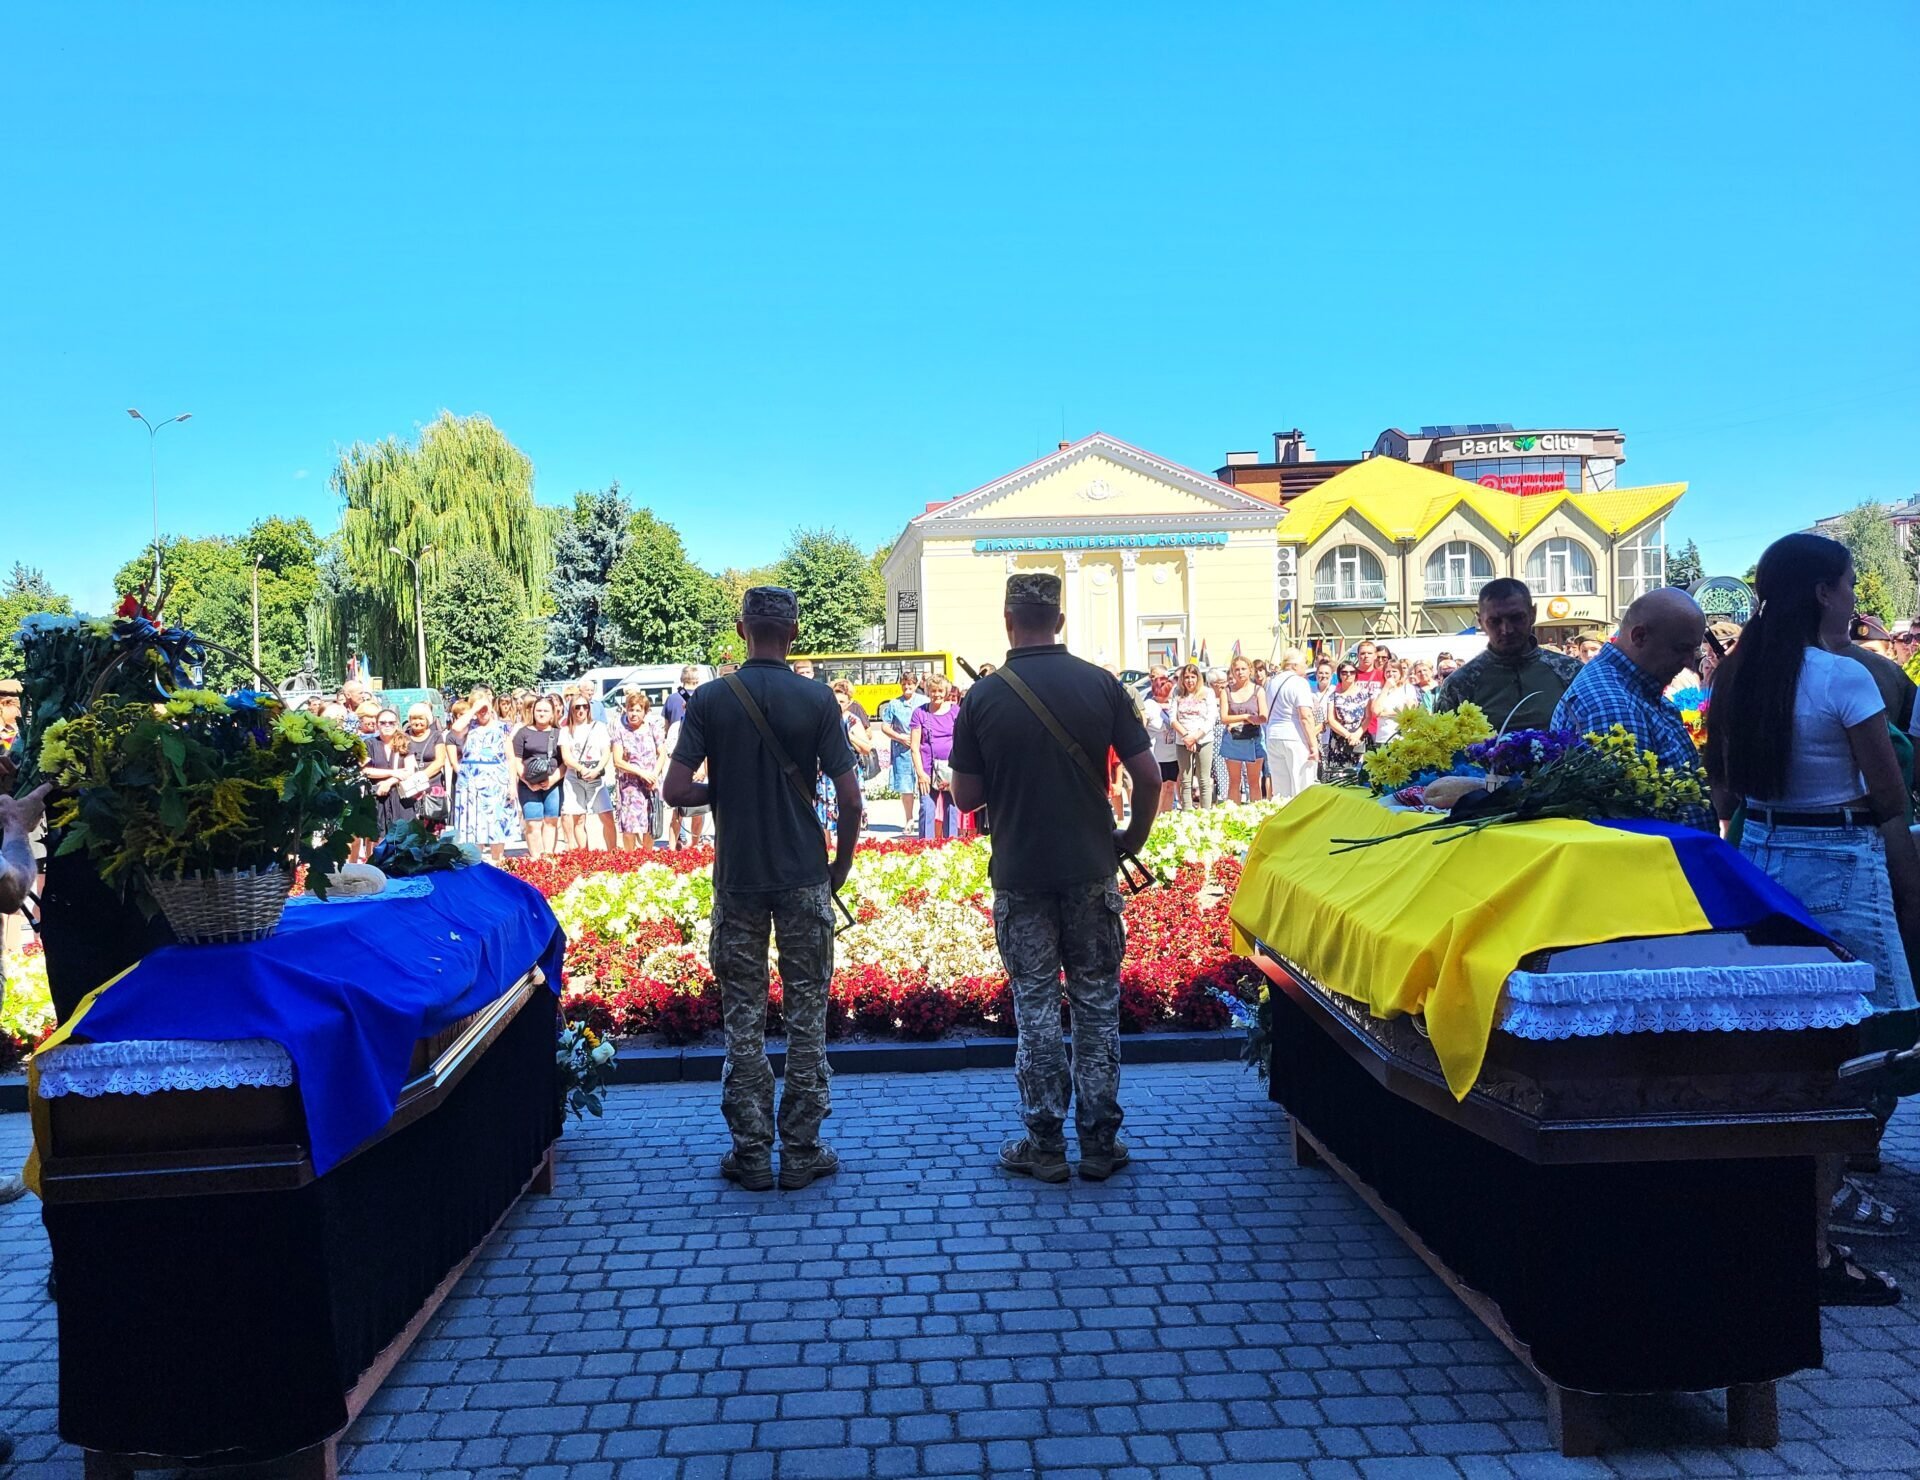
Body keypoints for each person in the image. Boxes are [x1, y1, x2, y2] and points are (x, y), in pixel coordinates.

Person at [1705, 533, 1920, 1306]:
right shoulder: (1842, 676)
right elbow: (1889, 795)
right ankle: (1815, 1243)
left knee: (1780, 1039)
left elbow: (1722, 783)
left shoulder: (1740, 671)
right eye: (1850, 583)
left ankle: (1766, 1219)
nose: (1855, 597)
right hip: (1840, 860)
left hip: (1759, 856)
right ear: (1824, 592)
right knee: (1857, 1051)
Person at [949, 572, 1159, 1183]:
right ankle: (1099, 1144)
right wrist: (1131, 839)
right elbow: (1149, 777)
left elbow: (964, 797)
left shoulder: (983, 698)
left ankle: (1044, 1145)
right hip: (1092, 870)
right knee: (1096, 1005)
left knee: (1036, 1008)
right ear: (1060, 621)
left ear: (1008, 621)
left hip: (1020, 875)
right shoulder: (1103, 684)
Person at [662, 587, 859, 1193]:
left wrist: (727, 791)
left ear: (741, 629)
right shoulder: (818, 698)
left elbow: (675, 791)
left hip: (739, 880)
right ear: (793, 633)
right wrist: (840, 868)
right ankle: (801, 1151)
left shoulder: (710, 699)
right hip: (804, 878)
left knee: (743, 1020)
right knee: (807, 1016)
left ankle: (750, 1153)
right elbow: (851, 800)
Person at [1552, 588, 1714, 832]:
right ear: (1639, 636)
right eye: (1680, 648)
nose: (1688, 662)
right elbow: (1631, 828)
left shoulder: (1632, 689)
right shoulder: (1613, 705)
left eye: (1693, 651)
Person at [1436, 579, 1582, 733]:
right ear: (1481, 622)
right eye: (1494, 621)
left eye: (1516, 618)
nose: (1507, 629)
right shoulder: (1460, 684)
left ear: (1533, 614)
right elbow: (1442, 743)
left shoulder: (1571, 673)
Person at [449, 685, 519, 863]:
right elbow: (455, 729)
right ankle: (476, 863)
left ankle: (498, 862)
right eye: (479, 709)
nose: (483, 712)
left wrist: (512, 785)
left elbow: (510, 758)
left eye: (485, 707)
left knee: (497, 825)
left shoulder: (502, 728)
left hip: (496, 780)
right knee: (473, 826)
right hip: (471, 783)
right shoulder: (468, 727)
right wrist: (473, 709)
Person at [1841, 614, 1919, 734]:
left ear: (1889, 652)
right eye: (1858, 651)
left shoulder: (1901, 680)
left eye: (1872, 652)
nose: (1863, 659)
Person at [816, 679, 871, 847]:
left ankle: (846, 850)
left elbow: (866, 748)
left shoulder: (852, 720)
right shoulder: (824, 718)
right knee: (824, 812)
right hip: (826, 774)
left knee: (848, 811)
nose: (838, 705)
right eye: (835, 701)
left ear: (849, 703)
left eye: (842, 701)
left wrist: (849, 735)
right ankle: (826, 848)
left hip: (848, 772)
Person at [610, 690, 666, 850]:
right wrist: (641, 773)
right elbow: (617, 761)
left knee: (650, 823)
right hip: (630, 786)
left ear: (645, 712)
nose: (634, 714)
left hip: (651, 783)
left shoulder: (653, 729)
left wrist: (654, 774)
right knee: (630, 826)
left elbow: (662, 754)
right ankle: (631, 859)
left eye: (638, 710)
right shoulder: (621, 731)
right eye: (630, 709)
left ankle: (646, 857)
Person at [1262, 648, 1320, 801]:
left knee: (1281, 791)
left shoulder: (1271, 682)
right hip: (1294, 736)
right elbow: (1305, 716)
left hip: (1273, 735)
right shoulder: (1299, 683)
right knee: (1302, 787)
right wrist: (1313, 745)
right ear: (1294, 665)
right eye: (1304, 663)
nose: (1306, 667)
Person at [512, 695, 565, 860]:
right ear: (533, 712)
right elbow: (516, 760)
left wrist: (552, 780)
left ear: (553, 713)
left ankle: (548, 858)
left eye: (546, 711)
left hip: (553, 783)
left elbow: (565, 763)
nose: (541, 714)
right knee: (532, 822)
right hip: (528, 785)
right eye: (539, 710)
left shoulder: (559, 733)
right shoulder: (523, 733)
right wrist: (528, 782)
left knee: (551, 821)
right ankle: (536, 860)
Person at [560, 696, 616, 851]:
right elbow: (566, 757)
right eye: (577, 707)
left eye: (584, 706)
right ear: (571, 709)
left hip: (596, 776)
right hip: (575, 777)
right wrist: (581, 768)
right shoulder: (565, 730)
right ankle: (584, 855)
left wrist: (597, 769)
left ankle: (613, 853)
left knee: (607, 816)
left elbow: (606, 751)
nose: (581, 710)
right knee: (578, 818)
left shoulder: (599, 727)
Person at [909, 675, 961, 839]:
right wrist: (920, 774)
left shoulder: (955, 711)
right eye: (933, 691)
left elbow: (964, 740)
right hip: (927, 769)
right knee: (927, 808)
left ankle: (951, 844)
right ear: (927, 691)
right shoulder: (920, 713)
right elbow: (914, 746)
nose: (936, 694)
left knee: (951, 808)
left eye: (940, 691)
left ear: (946, 691)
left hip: (951, 770)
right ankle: (925, 845)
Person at [876, 671, 926, 833]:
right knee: (906, 787)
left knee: (925, 784)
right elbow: (885, 726)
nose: (907, 687)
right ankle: (909, 820)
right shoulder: (894, 704)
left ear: (916, 685)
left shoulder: (924, 702)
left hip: (922, 750)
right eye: (904, 684)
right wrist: (900, 737)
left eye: (910, 684)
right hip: (902, 751)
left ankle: (925, 819)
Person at [1218, 657, 1268, 805]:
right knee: (1234, 782)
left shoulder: (1258, 690)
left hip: (1254, 739)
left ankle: (1256, 813)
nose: (1240, 672)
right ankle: (1234, 814)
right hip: (1233, 740)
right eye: (1237, 669)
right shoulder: (1226, 691)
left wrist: (1239, 721)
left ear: (1250, 670)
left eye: (1243, 669)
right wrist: (1246, 717)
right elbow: (1224, 718)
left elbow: (1263, 717)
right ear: (1232, 672)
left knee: (1254, 781)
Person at [393, 703, 448, 832]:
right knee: (411, 830)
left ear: (427, 720)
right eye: (414, 719)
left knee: (432, 831)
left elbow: (440, 761)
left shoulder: (436, 736)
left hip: (432, 789)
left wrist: (421, 777)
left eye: (421, 718)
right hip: (409, 790)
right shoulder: (403, 736)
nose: (417, 722)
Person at [1169, 665, 1216, 808]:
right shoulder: (1177, 692)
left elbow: (1211, 718)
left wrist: (1195, 737)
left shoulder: (1207, 692)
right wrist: (1187, 736)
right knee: (1185, 780)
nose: (1190, 681)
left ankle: (1206, 813)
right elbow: (1172, 719)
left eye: (1193, 677)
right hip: (1183, 740)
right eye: (1187, 677)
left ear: (1198, 678)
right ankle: (1187, 811)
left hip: (1203, 739)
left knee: (1203, 780)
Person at [1139, 668, 1180, 812]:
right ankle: (1155, 818)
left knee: (1170, 787)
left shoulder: (1174, 704)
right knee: (1160, 789)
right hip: (1156, 755)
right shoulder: (1149, 705)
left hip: (1173, 754)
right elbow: (1145, 725)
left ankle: (1167, 816)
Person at [1323, 662, 1368, 777]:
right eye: (1344, 672)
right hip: (1339, 739)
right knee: (1338, 776)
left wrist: (1357, 735)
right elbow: (1331, 719)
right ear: (1339, 675)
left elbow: (1368, 717)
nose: (1348, 675)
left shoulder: (1365, 693)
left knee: (1359, 775)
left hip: (1359, 737)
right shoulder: (1333, 696)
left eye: (1352, 672)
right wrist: (1348, 735)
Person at [1368, 659, 1423, 748]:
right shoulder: (1378, 691)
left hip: (1403, 736)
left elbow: (1409, 710)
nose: (1391, 674)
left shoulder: (1407, 688)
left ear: (1400, 673)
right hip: (1383, 737)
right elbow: (1375, 711)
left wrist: (1384, 713)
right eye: (1388, 671)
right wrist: (1386, 688)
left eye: (1394, 671)